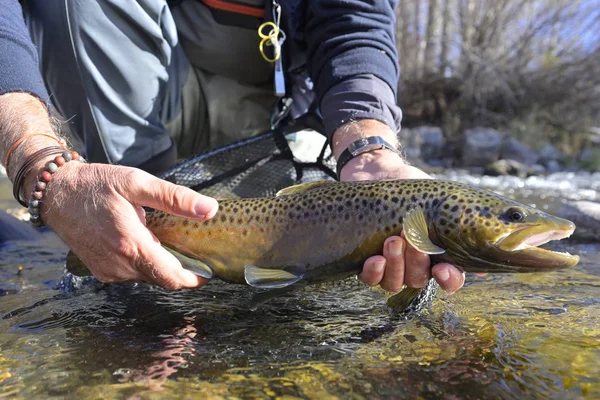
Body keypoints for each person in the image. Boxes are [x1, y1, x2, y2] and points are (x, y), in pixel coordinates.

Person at [0, 0, 465, 295]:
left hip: (281, 126)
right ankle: (129, 230)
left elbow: (355, 20)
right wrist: (38, 161)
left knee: (301, 268)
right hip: (140, 103)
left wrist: (368, 149)